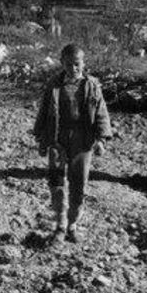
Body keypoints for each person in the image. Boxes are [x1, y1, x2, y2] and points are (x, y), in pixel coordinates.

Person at [33, 43, 112, 243]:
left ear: (83, 63)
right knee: (57, 182)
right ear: (62, 63)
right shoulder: (54, 85)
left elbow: (101, 113)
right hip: (58, 139)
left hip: (82, 140)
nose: (73, 68)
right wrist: (41, 138)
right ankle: (60, 224)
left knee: (79, 185)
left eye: (77, 64)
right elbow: (44, 112)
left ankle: (73, 225)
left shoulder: (92, 85)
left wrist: (101, 138)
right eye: (68, 64)